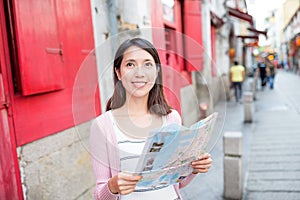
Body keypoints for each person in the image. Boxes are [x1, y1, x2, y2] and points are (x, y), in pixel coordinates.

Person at [90, 38, 213, 200]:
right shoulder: (102, 125)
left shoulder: (171, 118)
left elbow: (176, 182)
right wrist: (112, 187)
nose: (139, 73)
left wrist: (194, 169)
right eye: (130, 64)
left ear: (156, 72)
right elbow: (99, 195)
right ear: (118, 73)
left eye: (147, 64)